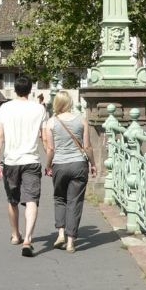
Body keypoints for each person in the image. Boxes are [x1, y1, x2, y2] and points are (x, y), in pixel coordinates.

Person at [0, 76, 47, 257]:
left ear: (15, 90)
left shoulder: (5, 108)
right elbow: (45, 137)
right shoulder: (39, 109)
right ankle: (28, 239)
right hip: (31, 160)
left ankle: (15, 235)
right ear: (30, 90)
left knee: (12, 200)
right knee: (32, 200)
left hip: (11, 161)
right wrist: (50, 160)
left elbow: (0, 136)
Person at [43, 90, 97, 253]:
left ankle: (60, 233)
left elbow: (50, 149)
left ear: (56, 103)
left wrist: (48, 165)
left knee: (59, 198)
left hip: (60, 164)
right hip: (79, 164)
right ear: (70, 103)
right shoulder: (82, 120)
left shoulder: (51, 122)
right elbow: (87, 146)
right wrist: (93, 164)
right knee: (75, 201)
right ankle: (71, 241)